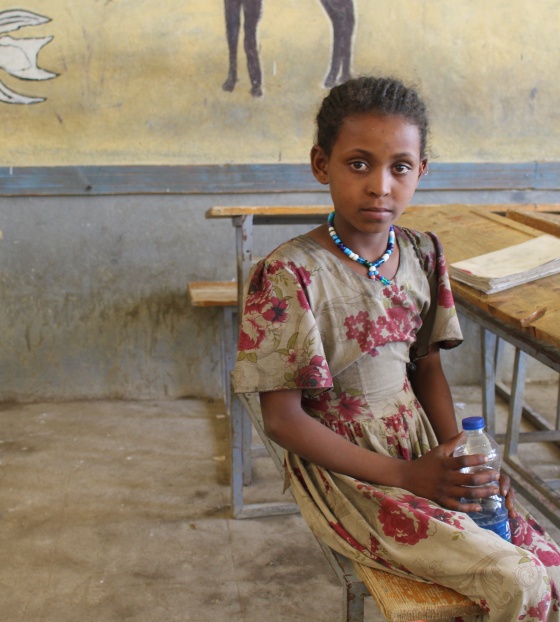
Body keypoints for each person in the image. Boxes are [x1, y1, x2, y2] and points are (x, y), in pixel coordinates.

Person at [233, 76, 560, 620]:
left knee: (547, 560)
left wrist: (462, 459)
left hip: (420, 442)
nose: (380, 186)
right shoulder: (288, 274)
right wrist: (411, 478)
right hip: (346, 466)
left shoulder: (423, 254)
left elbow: (426, 366)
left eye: (400, 167)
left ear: (421, 171)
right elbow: (284, 421)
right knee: (515, 581)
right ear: (322, 165)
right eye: (358, 163)